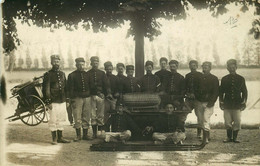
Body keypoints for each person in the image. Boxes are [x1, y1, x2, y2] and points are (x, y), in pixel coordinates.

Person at [42, 55, 70, 145]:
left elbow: (66, 88)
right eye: (54, 61)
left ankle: (60, 137)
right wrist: (48, 101)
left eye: (57, 61)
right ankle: (54, 139)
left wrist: (67, 100)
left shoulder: (62, 74)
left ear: (59, 62)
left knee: (61, 119)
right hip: (53, 101)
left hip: (62, 100)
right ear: (51, 63)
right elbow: (46, 89)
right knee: (53, 120)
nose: (56, 63)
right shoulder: (48, 75)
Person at [219, 59, 248, 143]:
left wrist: (244, 101)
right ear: (227, 68)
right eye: (230, 67)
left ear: (236, 67)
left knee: (237, 121)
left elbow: (245, 92)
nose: (232, 69)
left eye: (233, 67)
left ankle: (235, 138)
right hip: (227, 104)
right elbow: (221, 92)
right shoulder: (224, 79)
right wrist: (221, 101)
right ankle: (229, 137)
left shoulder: (241, 79)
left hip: (237, 104)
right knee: (227, 121)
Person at [86, 56, 112, 138]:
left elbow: (107, 85)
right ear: (91, 63)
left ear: (98, 63)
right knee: (93, 115)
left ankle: (100, 133)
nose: (95, 64)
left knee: (100, 115)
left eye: (96, 63)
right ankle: (94, 134)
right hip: (91, 96)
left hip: (101, 96)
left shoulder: (102, 73)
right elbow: (87, 86)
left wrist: (107, 93)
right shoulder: (88, 73)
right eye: (93, 63)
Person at [67, 57, 92, 141]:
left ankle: (85, 135)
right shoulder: (72, 75)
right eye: (79, 65)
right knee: (77, 116)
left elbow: (91, 86)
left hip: (87, 98)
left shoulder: (87, 74)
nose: (81, 66)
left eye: (82, 64)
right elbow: (70, 89)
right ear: (76, 65)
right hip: (77, 99)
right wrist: (72, 99)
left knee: (86, 116)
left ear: (84, 64)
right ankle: (78, 135)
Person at [195, 61, 219, 143]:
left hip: (208, 103)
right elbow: (196, 90)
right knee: (200, 119)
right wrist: (198, 98)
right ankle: (202, 135)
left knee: (206, 119)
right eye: (204, 66)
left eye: (207, 66)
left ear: (210, 68)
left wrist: (211, 102)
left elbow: (216, 92)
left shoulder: (214, 78)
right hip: (199, 101)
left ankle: (206, 138)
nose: (205, 67)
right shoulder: (199, 78)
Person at [163, 60, 187, 132]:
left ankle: (181, 130)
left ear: (177, 67)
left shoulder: (181, 77)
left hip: (178, 99)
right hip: (168, 99)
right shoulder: (166, 77)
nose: (172, 68)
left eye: (174, 66)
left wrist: (177, 99)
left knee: (179, 115)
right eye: (171, 66)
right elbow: (163, 88)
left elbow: (183, 91)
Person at [185, 60, 203, 138]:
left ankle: (199, 133)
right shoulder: (187, 75)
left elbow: (202, 88)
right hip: (188, 99)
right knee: (183, 113)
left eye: (194, 65)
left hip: (197, 99)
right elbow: (184, 87)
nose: (192, 67)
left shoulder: (200, 75)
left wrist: (195, 94)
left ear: (197, 66)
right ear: (189, 66)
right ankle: (181, 131)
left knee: (199, 116)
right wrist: (188, 94)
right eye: (191, 65)